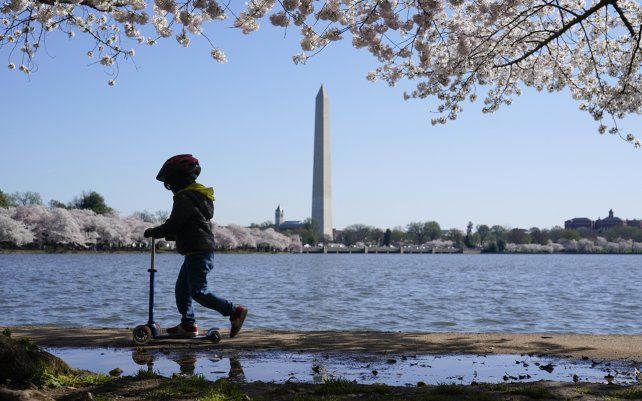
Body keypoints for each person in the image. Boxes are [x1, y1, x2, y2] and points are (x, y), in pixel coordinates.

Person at [144, 154, 248, 338]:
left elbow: (175, 224)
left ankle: (234, 311)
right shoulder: (197, 196)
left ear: (178, 179)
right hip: (197, 250)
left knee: (198, 292)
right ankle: (188, 325)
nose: (169, 186)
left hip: (198, 251)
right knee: (182, 289)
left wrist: (155, 231)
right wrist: (168, 233)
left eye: (170, 181)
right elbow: (187, 226)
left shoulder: (184, 198)